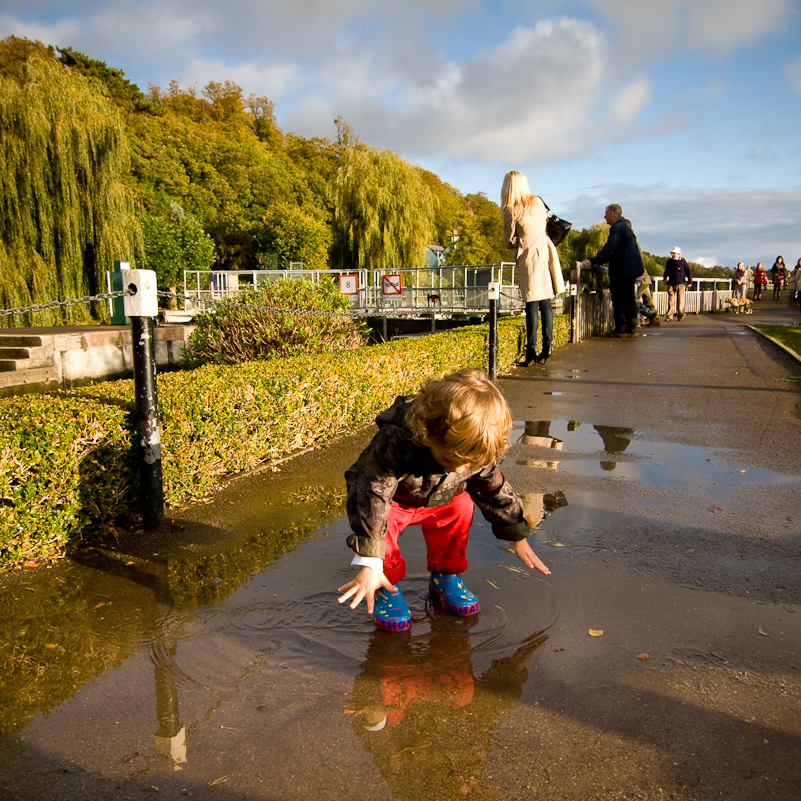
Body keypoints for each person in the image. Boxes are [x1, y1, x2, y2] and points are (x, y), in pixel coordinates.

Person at [337, 367, 550, 631]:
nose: (461, 470)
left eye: (469, 464)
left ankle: (445, 577)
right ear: (429, 435)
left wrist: (516, 532)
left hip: (441, 500)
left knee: (461, 505)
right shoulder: (398, 439)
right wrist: (370, 561)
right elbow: (372, 491)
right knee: (385, 519)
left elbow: (492, 486)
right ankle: (384, 584)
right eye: (451, 460)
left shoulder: (472, 450)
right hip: (396, 502)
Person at [500, 171, 565, 366]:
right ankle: (548, 347)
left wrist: (518, 242)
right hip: (545, 251)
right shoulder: (537, 202)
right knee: (545, 303)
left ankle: (531, 351)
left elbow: (507, 241)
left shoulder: (511, 209)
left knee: (531, 304)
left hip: (529, 255)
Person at [580, 204, 644, 337]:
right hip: (629, 269)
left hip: (623, 270)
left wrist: (594, 260)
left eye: (606, 213)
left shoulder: (618, 228)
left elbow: (610, 248)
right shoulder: (625, 227)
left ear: (613, 214)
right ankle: (631, 329)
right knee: (629, 299)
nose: (604, 217)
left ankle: (621, 329)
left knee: (620, 299)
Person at [663, 246, 693, 321]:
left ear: (679, 254)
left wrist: (689, 282)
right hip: (671, 283)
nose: (673, 255)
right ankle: (670, 316)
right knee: (671, 300)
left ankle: (680, 315)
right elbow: (666, 271)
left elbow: (689, 272)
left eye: (674, 254)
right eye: (672, 254)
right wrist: (665, 278)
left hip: (680, 284)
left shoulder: (683, 262)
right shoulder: (670, 261)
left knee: (680, 301)